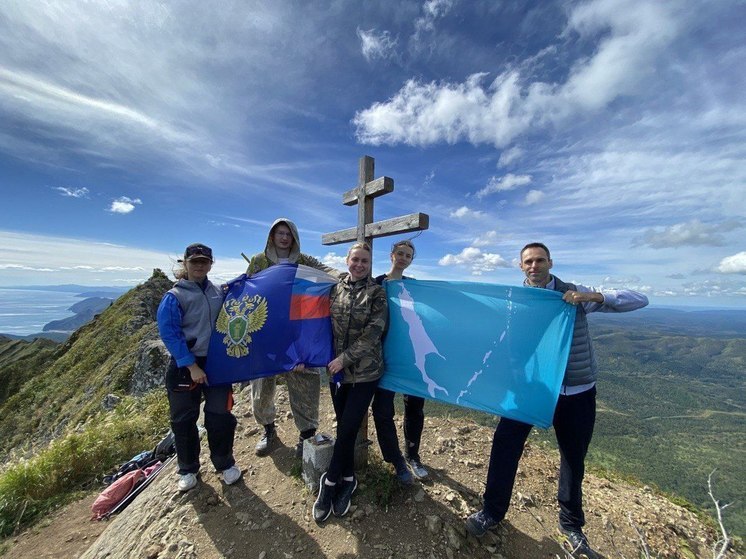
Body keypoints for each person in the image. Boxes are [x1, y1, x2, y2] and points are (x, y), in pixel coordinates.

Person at [466, 242, 648, 558]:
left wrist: (592, 297)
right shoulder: (517, 302)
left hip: (576, 391)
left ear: (550, 262)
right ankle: (492, 512)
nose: (534, 266)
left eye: (539, 260)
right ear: (520, 267)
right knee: (505, 445)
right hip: (530, 390)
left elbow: (640, 300)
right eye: (528, 262)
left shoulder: (574, 294)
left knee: (572, 458)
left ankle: (571, 526)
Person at [246, 218, 337, 457]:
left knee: (305, 378)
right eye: (280, 233)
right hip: (267, 329)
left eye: (288, 234)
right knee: (262, 381)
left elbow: (325, 271)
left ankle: (306, 433)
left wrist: (344, 274)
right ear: (272, 236)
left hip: (297, 329)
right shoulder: (258, 261)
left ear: (294, 237)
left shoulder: (304, 260)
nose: (284, 237)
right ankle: (268, 429)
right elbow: (247, 288)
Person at [157, 243, 240, 492]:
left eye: (204, 261)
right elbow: (169, 334)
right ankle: (188, 469)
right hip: (185, 366)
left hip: (216, 364)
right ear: (186, 263)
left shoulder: (218, 291)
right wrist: (191, 365)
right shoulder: (174, 296)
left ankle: (224, 464)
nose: (200, 265)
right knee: (183, 420)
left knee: (220, 416)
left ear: (211, 264)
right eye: (195, 261)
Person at [313, 241, 387, 522]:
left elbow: (373, 333)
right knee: (344, 426)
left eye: (364, 261)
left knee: (347, 428)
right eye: (355, 259)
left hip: (365, 374)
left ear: (370, 265)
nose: (358, 265)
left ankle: (330, 482)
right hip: (336, 373)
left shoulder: (377, 293)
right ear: (347, 260)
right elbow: (317, 323)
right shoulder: (334, 289)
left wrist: (344, 358)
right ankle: (348, 476)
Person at [372, 240, 427, 483]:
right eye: (400, 253)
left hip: (411, 356)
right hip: (381, 356)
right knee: (383, 410)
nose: (404, 258)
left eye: (408, 255)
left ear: (411, 260)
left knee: (414, 407)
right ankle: (396, 459)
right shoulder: (376, 283)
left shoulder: (414, 287)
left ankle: (413, 455)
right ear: (391, 255)